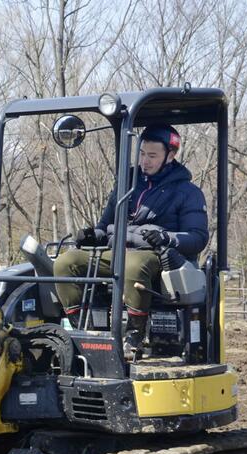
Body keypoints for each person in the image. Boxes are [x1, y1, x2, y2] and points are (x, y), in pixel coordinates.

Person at [53, 125, 209, 359]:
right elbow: (105, 225)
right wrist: (93, 235)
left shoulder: (187, 192)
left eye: (152, 156)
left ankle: (134, 335)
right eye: (142, 154)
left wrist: (167, 238)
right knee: (66, 262)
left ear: (171, 155)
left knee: (132, 265)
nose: (145, 161)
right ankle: (85, 332)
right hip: (118, 250)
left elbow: (197, 237)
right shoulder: (127, 184)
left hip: (156, 255)